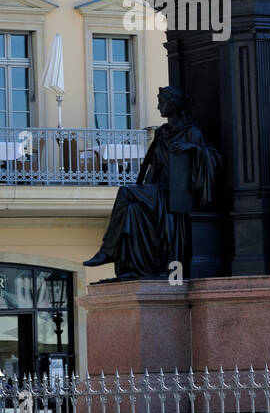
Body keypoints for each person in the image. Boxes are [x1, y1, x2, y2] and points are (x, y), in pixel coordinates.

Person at [84, 86, 219, 280]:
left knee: (125, 191)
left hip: (175, 193)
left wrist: (194, 149)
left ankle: (107, 250)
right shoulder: (162, 132)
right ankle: (133, 267)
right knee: (131, 210)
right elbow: (151, 166)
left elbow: (211, 159)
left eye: (162, 102)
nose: (158, 106)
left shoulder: (192, 133)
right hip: (157, 191)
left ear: (174, 104)